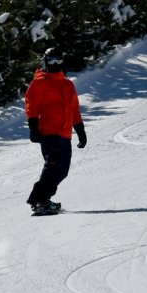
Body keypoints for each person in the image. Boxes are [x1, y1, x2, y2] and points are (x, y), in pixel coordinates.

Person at [25, 47, 87, 213]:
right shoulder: (40, 82)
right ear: (45, 61)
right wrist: (33, 127)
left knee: (62, 170)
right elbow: (31, 105)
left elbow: (74, 109)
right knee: (53, 165)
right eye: (52, 60)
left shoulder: (67, 84)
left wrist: (80, 131)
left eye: (58, 60)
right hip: (48, 132)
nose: (55, 64)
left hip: (65, 134)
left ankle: (44, 198)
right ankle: (38, 200)